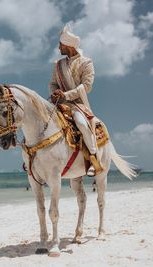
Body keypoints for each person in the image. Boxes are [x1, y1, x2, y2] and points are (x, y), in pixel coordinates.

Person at [48, 25, 102, 177]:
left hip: (78, 104)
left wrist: (66, 95)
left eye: (61, 45)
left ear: (68, 45)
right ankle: (33, 157)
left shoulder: (86, 63)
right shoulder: (58, 65)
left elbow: (86, 86)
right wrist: (55, 93)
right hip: (58, 103)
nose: (59, 48)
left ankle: (93, 158)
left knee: (82, 124)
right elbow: (52, 84)